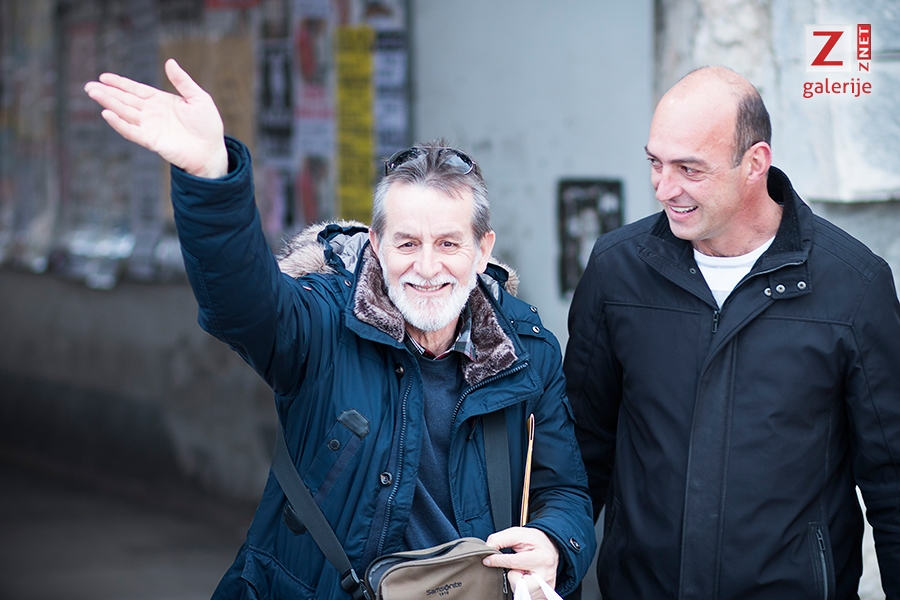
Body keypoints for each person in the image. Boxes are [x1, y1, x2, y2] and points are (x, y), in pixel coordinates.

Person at [84, 59, 595, 600]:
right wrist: (211, 177)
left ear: (482, 249)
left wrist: (554, 543)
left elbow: (565, 490)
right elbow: (242, 304)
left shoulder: (527, 351)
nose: (427, 267)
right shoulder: (325, 323)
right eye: (406, 243)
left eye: (448, 243)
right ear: (375, 244)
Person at [564, 65, 900, 599]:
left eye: (689, 169)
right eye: (655, 163)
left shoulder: (853, 287)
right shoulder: (616, 271)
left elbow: (892, 482)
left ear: (755, 164)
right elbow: (577, 456)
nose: (664, 188)